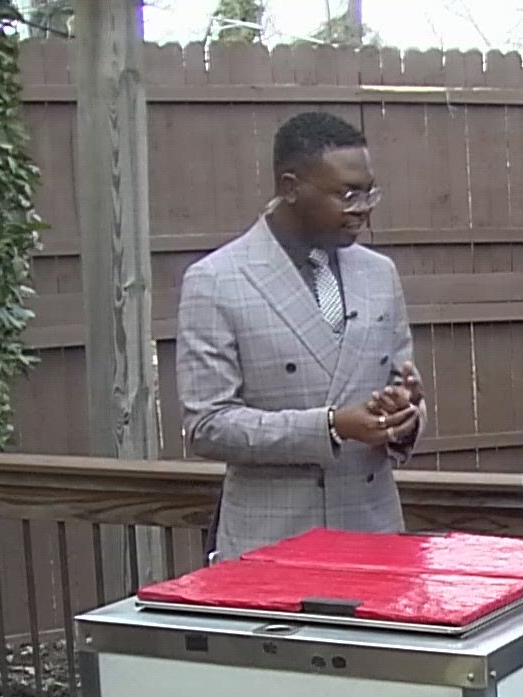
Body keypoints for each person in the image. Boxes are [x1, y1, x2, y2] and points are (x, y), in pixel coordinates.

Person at [179, 111, 425, 560]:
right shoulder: (216, 280)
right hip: (273, 543)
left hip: (373, 534)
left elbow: (399, 386)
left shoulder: (379, 275)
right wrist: (330, 426)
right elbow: (207, 426)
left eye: (369, 191)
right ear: (290, 187)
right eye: (347, 194)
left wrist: (403, 418)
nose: (363, 208)